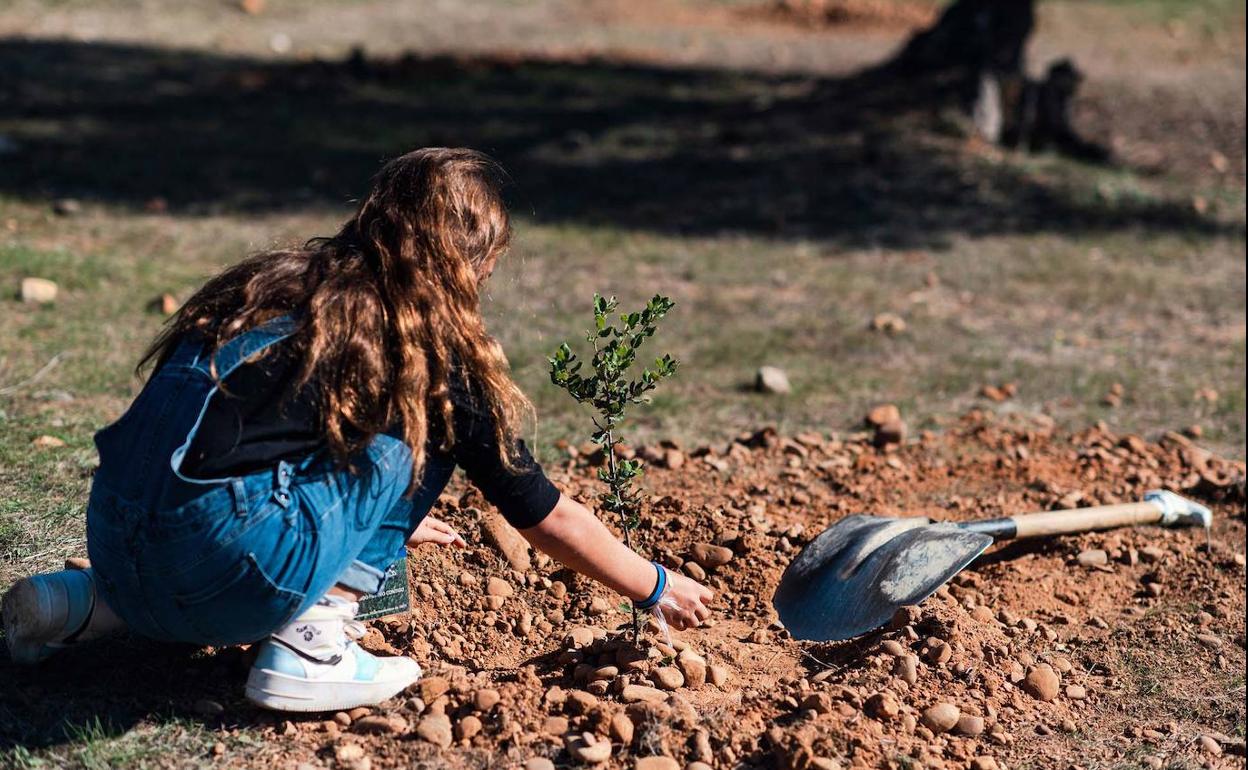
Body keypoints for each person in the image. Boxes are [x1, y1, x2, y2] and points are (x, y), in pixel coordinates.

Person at [2, 148, 713, 713]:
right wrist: (655, 586)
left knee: (187, 529)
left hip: (116, 537)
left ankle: (82, 604)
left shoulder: (269, 286)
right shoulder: (429, 351)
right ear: (468, 262)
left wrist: (368, 519)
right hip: (221, 566)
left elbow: (244, 440)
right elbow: (543, 515)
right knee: (426, 419)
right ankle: (314, 646)